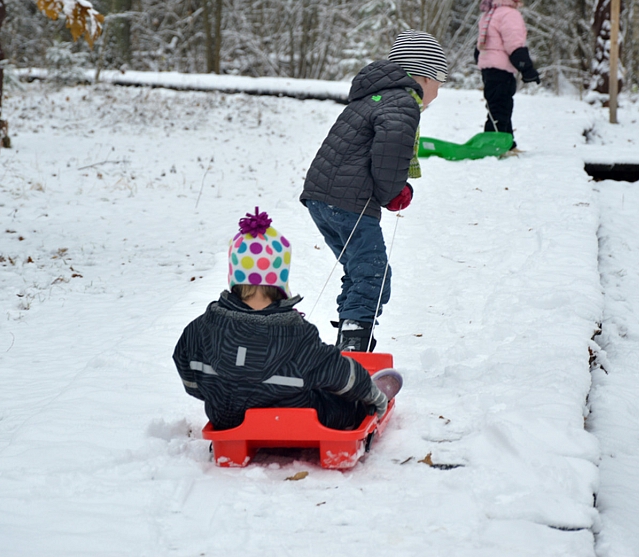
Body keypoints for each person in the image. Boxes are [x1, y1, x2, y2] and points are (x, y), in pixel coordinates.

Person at [172, 208, 402, 431]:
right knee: (332, 396)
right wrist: (369, 393)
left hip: (227, 417)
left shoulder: (200, 328)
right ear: (280, 279)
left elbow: (184, 361)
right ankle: (367, 396)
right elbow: (337, 369)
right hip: (292, 418)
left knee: (301, 378)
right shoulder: (295, 333)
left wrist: (214, 390)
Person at [300, 29, 448, 352]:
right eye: (440, 82)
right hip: (348, 200)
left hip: (322, 197)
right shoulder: (404, 103)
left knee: (361, 269)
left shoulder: (375, 95)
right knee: (375, 275)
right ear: (424, 77)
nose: (438, 92)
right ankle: (353, 348)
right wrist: (392, 191)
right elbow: (390, 152)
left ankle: (346, 340)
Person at [474, 0, 540, 152]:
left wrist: (481, 58)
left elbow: (481, 43)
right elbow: (514, 45)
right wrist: (527, 68)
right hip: (501, 69)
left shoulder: (490, 12)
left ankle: (508, 143)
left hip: (488, 67)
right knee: (500, 107)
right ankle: (494, 143)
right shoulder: (509, 14)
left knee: (498, 104)